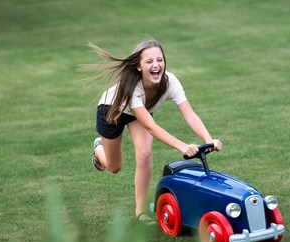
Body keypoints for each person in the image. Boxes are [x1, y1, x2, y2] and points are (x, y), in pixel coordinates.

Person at [86, 39, 223, 224]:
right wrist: (182, 146)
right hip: (112, 110)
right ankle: (98, 150)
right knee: (114, 167)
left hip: (140, 110)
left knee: (145, 154)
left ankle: (140, 212)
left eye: (159, 60)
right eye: (149, 61)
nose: (156, 65)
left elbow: (189, 114)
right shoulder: (132, 88)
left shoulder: (170, 82)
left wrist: (209, 139)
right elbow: (151, 127)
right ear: (139, 66)